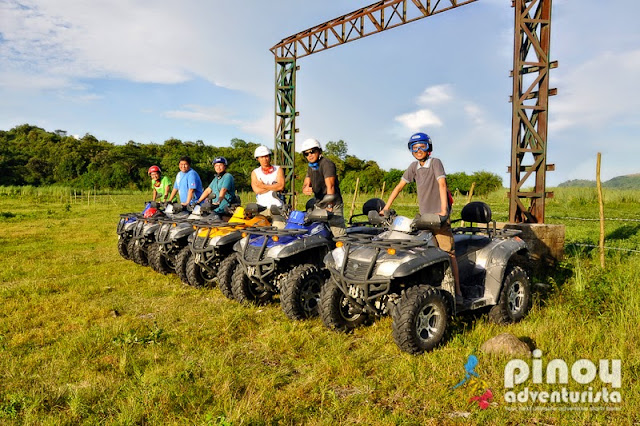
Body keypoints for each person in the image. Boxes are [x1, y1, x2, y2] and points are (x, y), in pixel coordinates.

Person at [382, 132, 462, 299]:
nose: (419, 150)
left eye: (422, 146)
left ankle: (457, 291)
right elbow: (399, 187)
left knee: (448, 251)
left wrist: (443, 210)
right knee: (418, 249)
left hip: (439, 216)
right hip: (424, 217)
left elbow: (442, 185)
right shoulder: (413, 167)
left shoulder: (435, 163)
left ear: (429, 148)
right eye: (414, 147)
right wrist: (386, 207)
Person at [300, 138, 346, 237]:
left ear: (319, 151)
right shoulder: (311, 166)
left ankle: (343, 250)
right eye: (306, 154)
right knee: (317, 232)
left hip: (332, 203)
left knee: (338, 234)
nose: (310, 155)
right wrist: (305, 188)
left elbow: (331, 186)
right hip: (319, 203)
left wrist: (329, 206)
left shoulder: (327, 164)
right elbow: (306, 182)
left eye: (312, 152)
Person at [251, 145, 286, 227]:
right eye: (261, 157)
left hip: (277, 207)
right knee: (257, 232)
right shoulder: (255, 172)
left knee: (279, 229)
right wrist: (273, 186)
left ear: (270, 157)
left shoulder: (278, 169)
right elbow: (257, 190)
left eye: (266, 156)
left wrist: (262, 185)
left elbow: (281, 186)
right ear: (257, 159)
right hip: (261, 208)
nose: (264, 159)